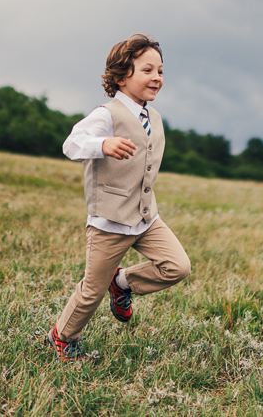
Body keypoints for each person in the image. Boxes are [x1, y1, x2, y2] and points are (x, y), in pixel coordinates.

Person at [46, 33, 191, 361]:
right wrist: (102, 145)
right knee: (90, 292)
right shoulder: (106, 114)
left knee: (178, 266)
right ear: (123, 75)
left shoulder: (154, 117)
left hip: (144, 217)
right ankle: (63, 336)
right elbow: (71, 144)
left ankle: (123, 283)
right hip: (109, 222)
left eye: (161, 71)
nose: (157, 78)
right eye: (147, 70)